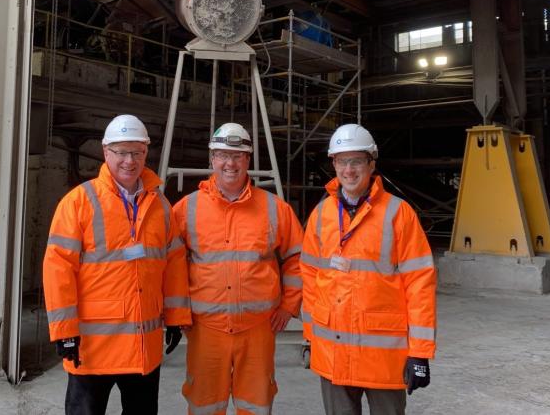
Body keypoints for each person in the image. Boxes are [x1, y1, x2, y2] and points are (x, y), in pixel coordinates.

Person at [43, 114, 191, 415]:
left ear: (146, 153)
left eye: (137, 152)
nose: (129, 160)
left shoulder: (160, 206)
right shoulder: (78, 203)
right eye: (121, 152)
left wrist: (176, 317)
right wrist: (63, 331)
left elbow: (173, 263)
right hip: (92, 349)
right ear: (105, 151)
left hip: (142, 349)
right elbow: (58, 267)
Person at [300, 123, 437, 415]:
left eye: (357, 161)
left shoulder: (398, 213)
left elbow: (419, 284)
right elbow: (311, 279)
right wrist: (312, 337)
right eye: (341, 161)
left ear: (371, 164)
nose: (349, 170)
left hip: (383, 358)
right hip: (333, 352)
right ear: (333, 164)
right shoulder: (321, 214)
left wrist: (420, 353)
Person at [173, 123, 304, 414]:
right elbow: (172, 266)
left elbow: (298, 258)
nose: (229, 163)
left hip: (258, 328)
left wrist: (288, 306)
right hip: (205, 329)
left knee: (256, 406)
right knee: (205, 405)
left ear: (248, 160)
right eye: (222, 155)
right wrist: (177, 313)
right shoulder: (186, 209)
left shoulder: (275, 208)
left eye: (238, 156)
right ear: (212, 159)